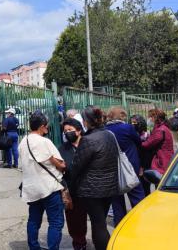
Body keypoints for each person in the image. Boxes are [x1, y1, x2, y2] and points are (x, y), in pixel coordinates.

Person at [71, 106, 119, 250]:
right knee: (100, 222)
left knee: (98, 225)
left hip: (92, 190)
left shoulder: (88, 140)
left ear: (86, 121)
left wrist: (70, 188)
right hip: (109, 187)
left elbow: (76, 166)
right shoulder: (109, 135)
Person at [19, 112, 66, 250]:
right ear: (41, 127)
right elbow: (62, 165)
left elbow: (20, 166)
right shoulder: (45, 142)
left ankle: (34, 247)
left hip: (32, 188)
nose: (47, 128)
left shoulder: (23, 141)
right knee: (56, 222)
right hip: (49, 187)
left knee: (33, 220)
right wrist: (52, 159)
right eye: (46, 126)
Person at [105, 107, 145, 227]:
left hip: (112, 168)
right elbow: (139, 142)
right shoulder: (127, 128)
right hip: (130, 167)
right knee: (137, 195)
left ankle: (120, 223)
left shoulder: (105, 130)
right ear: (122, 116)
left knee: (117, 198)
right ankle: (140, 220)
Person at [60, 118, 87, 250]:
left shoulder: (88, 144)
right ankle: (79, 243)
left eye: (70, 130)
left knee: (97, 219)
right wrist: (64, 189)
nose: (67, 133)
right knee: (74, 220)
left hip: (91, 188)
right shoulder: (62, 149)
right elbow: (59, 171)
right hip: (73, 190)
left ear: (79, 130)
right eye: (65, 131)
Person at [141, 109, 174, 184]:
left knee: (160, 182)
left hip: (162, 160)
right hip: (166, 157)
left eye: (150, 117)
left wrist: (138, 141)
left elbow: (148, 144)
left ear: (155, 118)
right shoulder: (163, 127)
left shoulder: (160, 130)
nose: (149, 119)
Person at [130, 114, 153, 196]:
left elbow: (147, 155)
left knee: (145, 189)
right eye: (131, 122)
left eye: (134, 122)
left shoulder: (146, 136)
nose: (132, 124)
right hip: (134, 166)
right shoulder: (132, 135)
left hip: (144, 166)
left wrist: (142, 167)